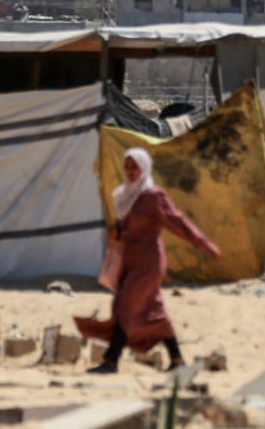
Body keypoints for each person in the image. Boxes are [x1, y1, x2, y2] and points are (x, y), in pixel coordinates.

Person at [76, 147, 221, 374]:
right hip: (129, 260)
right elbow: (124, 228)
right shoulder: (123, 195)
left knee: (125, 306)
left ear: (144, 168)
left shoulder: (153, 196)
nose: (131, 171)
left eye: (135, 167)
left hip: (148, 262)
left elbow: (177, 221)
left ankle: (111, 361)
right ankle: (177, 360)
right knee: (153, 309)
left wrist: (203, 243)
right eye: (127, 166)